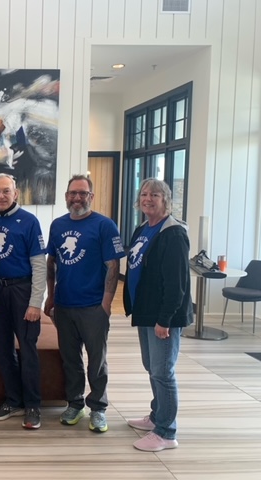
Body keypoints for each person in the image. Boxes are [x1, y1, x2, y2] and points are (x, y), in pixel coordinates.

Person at [44, 175, 124, 434]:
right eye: (72, 193)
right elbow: (51, 262)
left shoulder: (104, 225)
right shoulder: (57, 225)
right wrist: (51, 296)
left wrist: (106, 303)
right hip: (65, 305)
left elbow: (113, 265)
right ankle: (75, 403)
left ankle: (98, 408)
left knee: (97, 360)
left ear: (91, 196)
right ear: (66, 196)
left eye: (82, 193)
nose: (76, 198)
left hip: (93, 306)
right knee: (70, 359)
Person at [124, 178, 192, 452]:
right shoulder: (143, 228)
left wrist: (165, 320)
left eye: (154, 195)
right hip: (146, 311)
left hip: (163, 316)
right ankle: (156, 416)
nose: (147, 199)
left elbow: (177, 284)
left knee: (163, 371)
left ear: (166, 200)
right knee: (151, 367)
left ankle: (166, 431)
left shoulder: (173, 233)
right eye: (144, 194)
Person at [0, 173, 46, 429]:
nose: (1, 195)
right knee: (3, 350)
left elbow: (39, 264)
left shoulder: (29, 221)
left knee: (28, 349)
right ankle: (14, 400)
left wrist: (35, 303)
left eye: (6, 191)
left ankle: (33, 405)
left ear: (15, 193)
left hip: (22, 290)